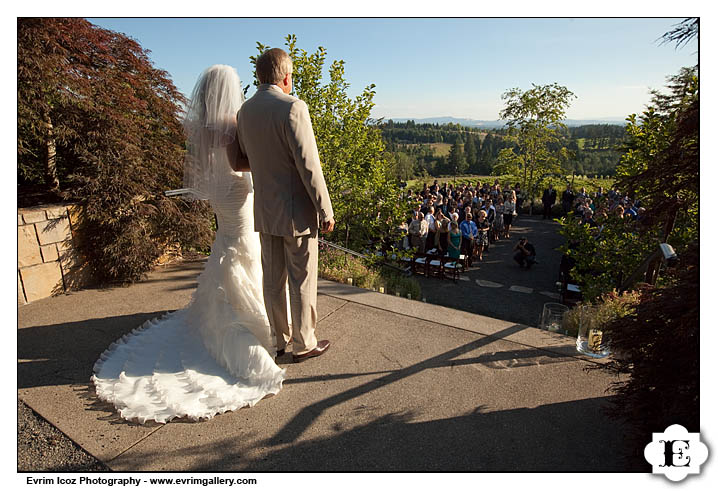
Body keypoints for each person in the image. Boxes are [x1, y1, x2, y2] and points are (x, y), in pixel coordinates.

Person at [92, 65, 285, 424]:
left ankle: (232, 314)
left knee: (228, 242)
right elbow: (245, 161)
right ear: (229, 89)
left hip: (221, 196)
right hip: (239, 192)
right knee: (243, 245)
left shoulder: (203, 125)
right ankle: (251, 331)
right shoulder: (233, 120)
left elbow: (205, 164)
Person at [237, 48, 334, 363]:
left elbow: (244, 160)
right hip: (296, 213)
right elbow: (309, 166)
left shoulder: (245, 112)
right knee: (302, 279)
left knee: (272, 279)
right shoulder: (293, 107)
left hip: (264, 209)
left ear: (259, 76)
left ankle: (279, 340)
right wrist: (325, 209)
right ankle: (304, 343)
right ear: (287, 77)